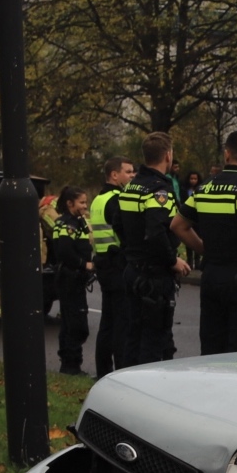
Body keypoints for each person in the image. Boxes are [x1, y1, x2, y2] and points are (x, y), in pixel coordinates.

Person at [173, 131, 237, 354]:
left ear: (227, 154)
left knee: (212, 346)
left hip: (212, 276)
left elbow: (178, 225)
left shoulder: (205, 188)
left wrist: (204, 249)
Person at [113, 132, 190, 365]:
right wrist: (171, 261)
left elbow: (118, 223)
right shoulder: (160, 191)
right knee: (154, 339)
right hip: (154, 276)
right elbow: (156, 231)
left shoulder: (130, 187)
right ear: (168, 155)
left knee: (133, 335)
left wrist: (133, 250)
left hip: (133, 270)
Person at [90, 155, 134, 377]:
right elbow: (124, 233)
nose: (132, 176)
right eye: (128, 172)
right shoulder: (117, 199)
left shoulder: (98, 199)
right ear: (114, 175)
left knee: (107, 323)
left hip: (104, 264)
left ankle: (103, 371)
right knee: (121, 323)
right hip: (117, 266)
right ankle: (119, 373)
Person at [49, 186, 93, 375]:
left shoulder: (75, 221)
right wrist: (85, 265)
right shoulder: (68, 224)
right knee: (76, 324)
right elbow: (65, 251)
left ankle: (70, 364)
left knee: (69, 323)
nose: (85, 206)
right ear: (69, 203)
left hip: (71, 278)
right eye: (82, 202)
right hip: (70, 277)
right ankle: (71, 365)